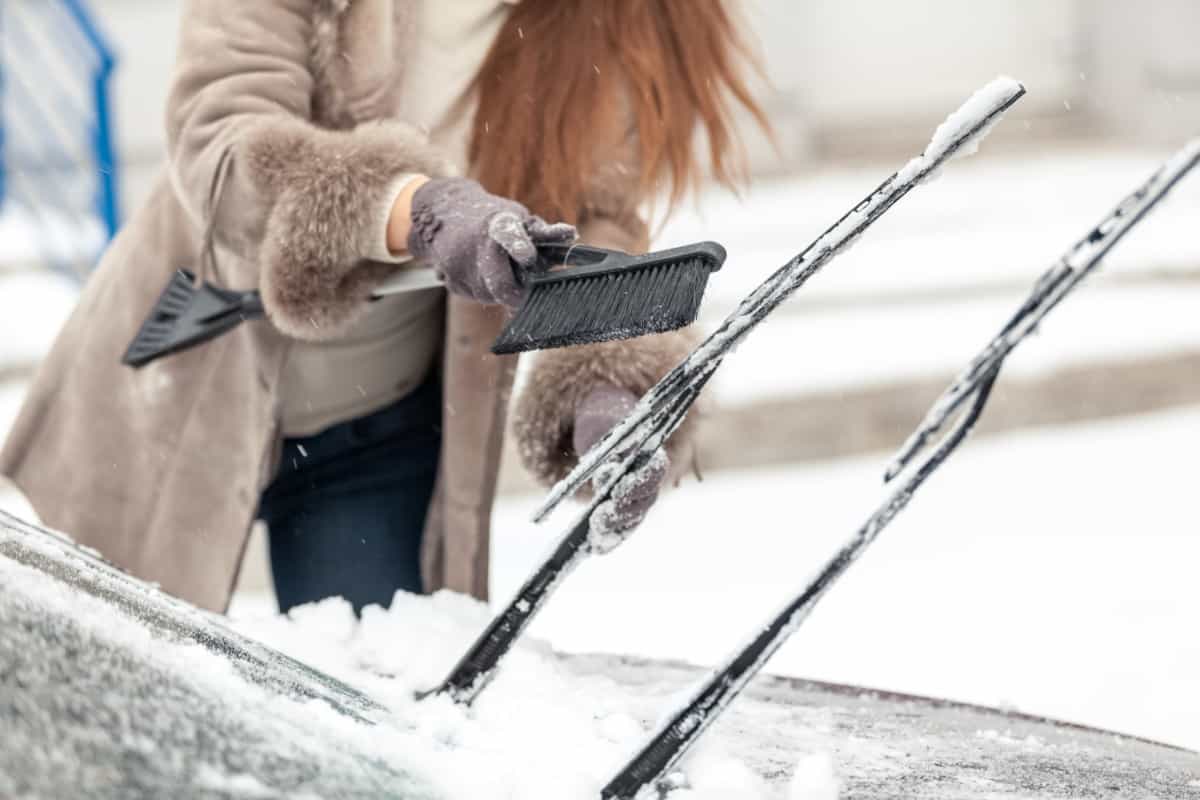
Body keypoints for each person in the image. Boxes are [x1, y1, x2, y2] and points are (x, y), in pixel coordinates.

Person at [0, 0, 767, 615]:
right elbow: (221, 145)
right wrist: (415, 209)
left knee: (369, 704)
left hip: (378, 425)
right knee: (108, 713)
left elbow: (600, 221)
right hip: (173, 385)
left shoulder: (606, 19)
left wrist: (608, 379)